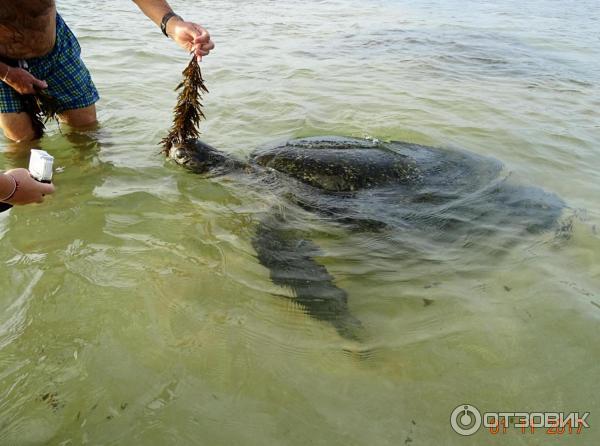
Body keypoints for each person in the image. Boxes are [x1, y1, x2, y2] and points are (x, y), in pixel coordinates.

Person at [0, 0, 214, 207]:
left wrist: (172, 24)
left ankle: (84, 192)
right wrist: (8, 74)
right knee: (22, 141)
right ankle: (30, 202)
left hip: (53, 46)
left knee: (85, 129)